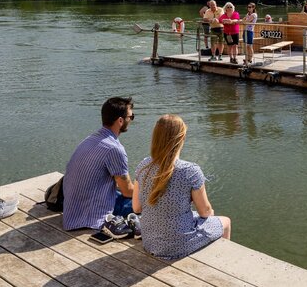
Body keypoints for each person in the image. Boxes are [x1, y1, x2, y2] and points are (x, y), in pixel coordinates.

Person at [133, 114, 231, 260]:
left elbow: (136, 208)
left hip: (149, 243)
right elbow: (205, 211)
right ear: (181, 139)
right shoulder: (190, 170)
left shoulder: (143, 166)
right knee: (226, 222)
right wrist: (209, 217)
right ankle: (223, 263)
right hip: (176, 246)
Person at [63, 97, 135, 230]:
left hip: (72, 211)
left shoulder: (90, 139)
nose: (131, 120)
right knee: (150, 202)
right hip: (91, 215)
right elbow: (128, 191)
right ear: (120, 121)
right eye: (131, 117)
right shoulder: (115, 149)